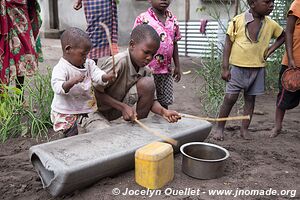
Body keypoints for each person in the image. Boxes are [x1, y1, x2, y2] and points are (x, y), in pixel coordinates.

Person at [81, 24, 180, 132]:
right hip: (92, 110)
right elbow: (94, 93)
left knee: (148, 84)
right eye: (146, 52)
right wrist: (122, 107)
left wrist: (163, 111)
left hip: (114, 109)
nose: (149, 58)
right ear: (132, 45)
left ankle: (138, 130)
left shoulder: (145, 70)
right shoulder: (119, 62)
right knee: (106, 135)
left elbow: (152, 101)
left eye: (153, 54)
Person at [212, 0, 285, 141]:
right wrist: (225, 67)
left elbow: (283, 36)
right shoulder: (238, 21)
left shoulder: (270, 24)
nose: (271, 5)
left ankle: (244, 129)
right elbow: (228, 43)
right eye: (267, 2)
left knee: (250, 100)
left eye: (273, 2)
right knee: (229, 98)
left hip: (257, 69)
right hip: (238, 69)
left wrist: (270, 50)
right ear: (252, 4)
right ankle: (219, 128)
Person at [50, 27, 115, 137]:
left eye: (87, 54)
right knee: (71, 135)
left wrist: (105, 77)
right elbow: (57, 87)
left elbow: (97, 74)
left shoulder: (89, 64)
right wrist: (71, 82)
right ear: (68, 49)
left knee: (98, 130)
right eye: (83, 54)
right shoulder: (61, 68)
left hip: (85, 109)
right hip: (65, 112)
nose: (86, 57)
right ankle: (65, 135)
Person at [133, 0, 181, 109]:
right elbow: (134, 43)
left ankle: (163, 123)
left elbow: (174, 43)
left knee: (164, 102)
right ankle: (141, 122)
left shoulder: (173, 20)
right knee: (146, 99)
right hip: (146, 69)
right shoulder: (143, 19)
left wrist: (177, 66)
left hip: (166, 71)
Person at [271, 0, 300, 138]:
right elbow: (288, 32)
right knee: (284, 95)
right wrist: (291, 58)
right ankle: (277, 126)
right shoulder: (297, 5)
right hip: (293, 63)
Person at [0, 0, 43, 90]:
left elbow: (32, 7)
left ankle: (20, 96)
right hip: (8, 23)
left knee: (22, 58)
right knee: (5, 59)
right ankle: (5, 95)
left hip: (22, 23)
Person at [73, 0, 118, 65]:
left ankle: (113, 69)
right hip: (95, 4)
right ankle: (91, 69)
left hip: (105, 4)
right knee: (94, 34)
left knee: (108, 33)